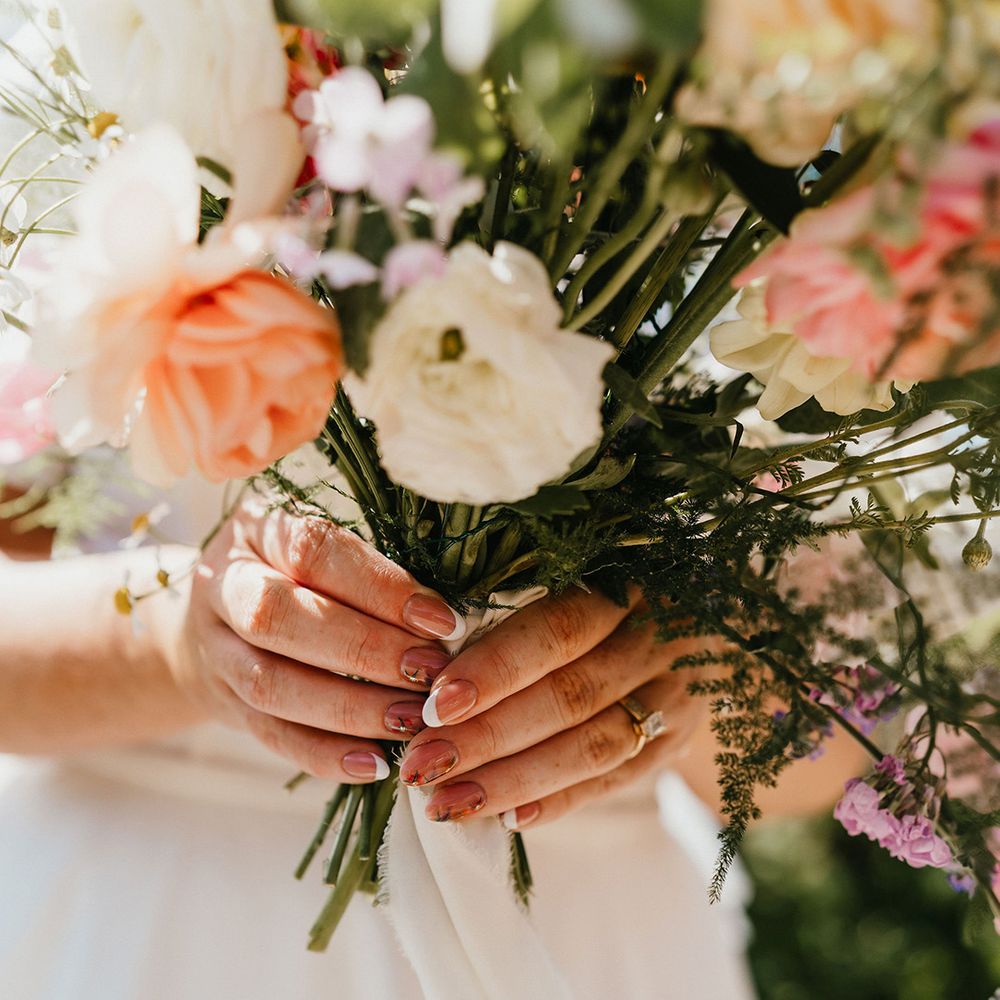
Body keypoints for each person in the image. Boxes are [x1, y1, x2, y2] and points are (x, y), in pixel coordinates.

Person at [0, 480, 862, 1000]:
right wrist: (178, 647)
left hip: (587, 934)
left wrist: (691, 673)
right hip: (156, 927)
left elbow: (824, 767)